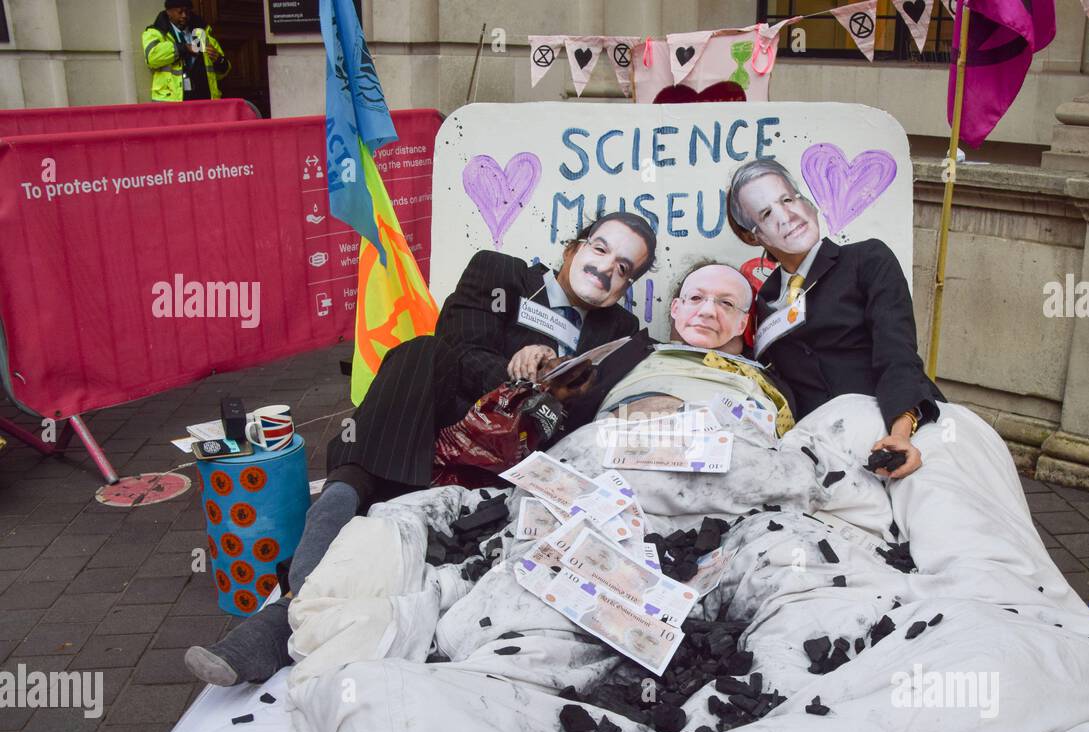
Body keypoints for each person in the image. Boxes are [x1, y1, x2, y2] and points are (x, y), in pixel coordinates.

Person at [185, 212, 656, 686]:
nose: (605, 269)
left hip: (511, 466)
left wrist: (554, 395)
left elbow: (584, 416)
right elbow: (459, 346)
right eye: (600, 249)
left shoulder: (619, 333)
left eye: (623, 268)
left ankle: (288, 617)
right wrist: (516, 372)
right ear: (574, 248)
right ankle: (341, 497)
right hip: (430, 435)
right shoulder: (500, 273)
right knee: (421, 352)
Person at [725, 158, 944, 479]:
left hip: (903, 424)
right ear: (754, 236)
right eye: (767, 213)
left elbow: (896, 354)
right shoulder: (765, 300)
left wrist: (900, 435)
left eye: (788, 199)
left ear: (808, 203)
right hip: (822, 449)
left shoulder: (867, 259)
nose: (786, 216)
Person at [581, 261, 796, 436]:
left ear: (742, 324)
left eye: (727, 303)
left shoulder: (767, 382)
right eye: (695, 298)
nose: (708, 311)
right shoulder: (626, 354)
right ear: (676, 308)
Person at [143, 1, 230, 102]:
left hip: (204, 100)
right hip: (172, 102)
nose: (184, 16)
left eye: (187, 12)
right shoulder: (155, 32)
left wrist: (219, 60)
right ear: (168, 12)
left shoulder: (202, 32)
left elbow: (224, 71)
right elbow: (152, 58)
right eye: (180, 12)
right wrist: (183, 48)